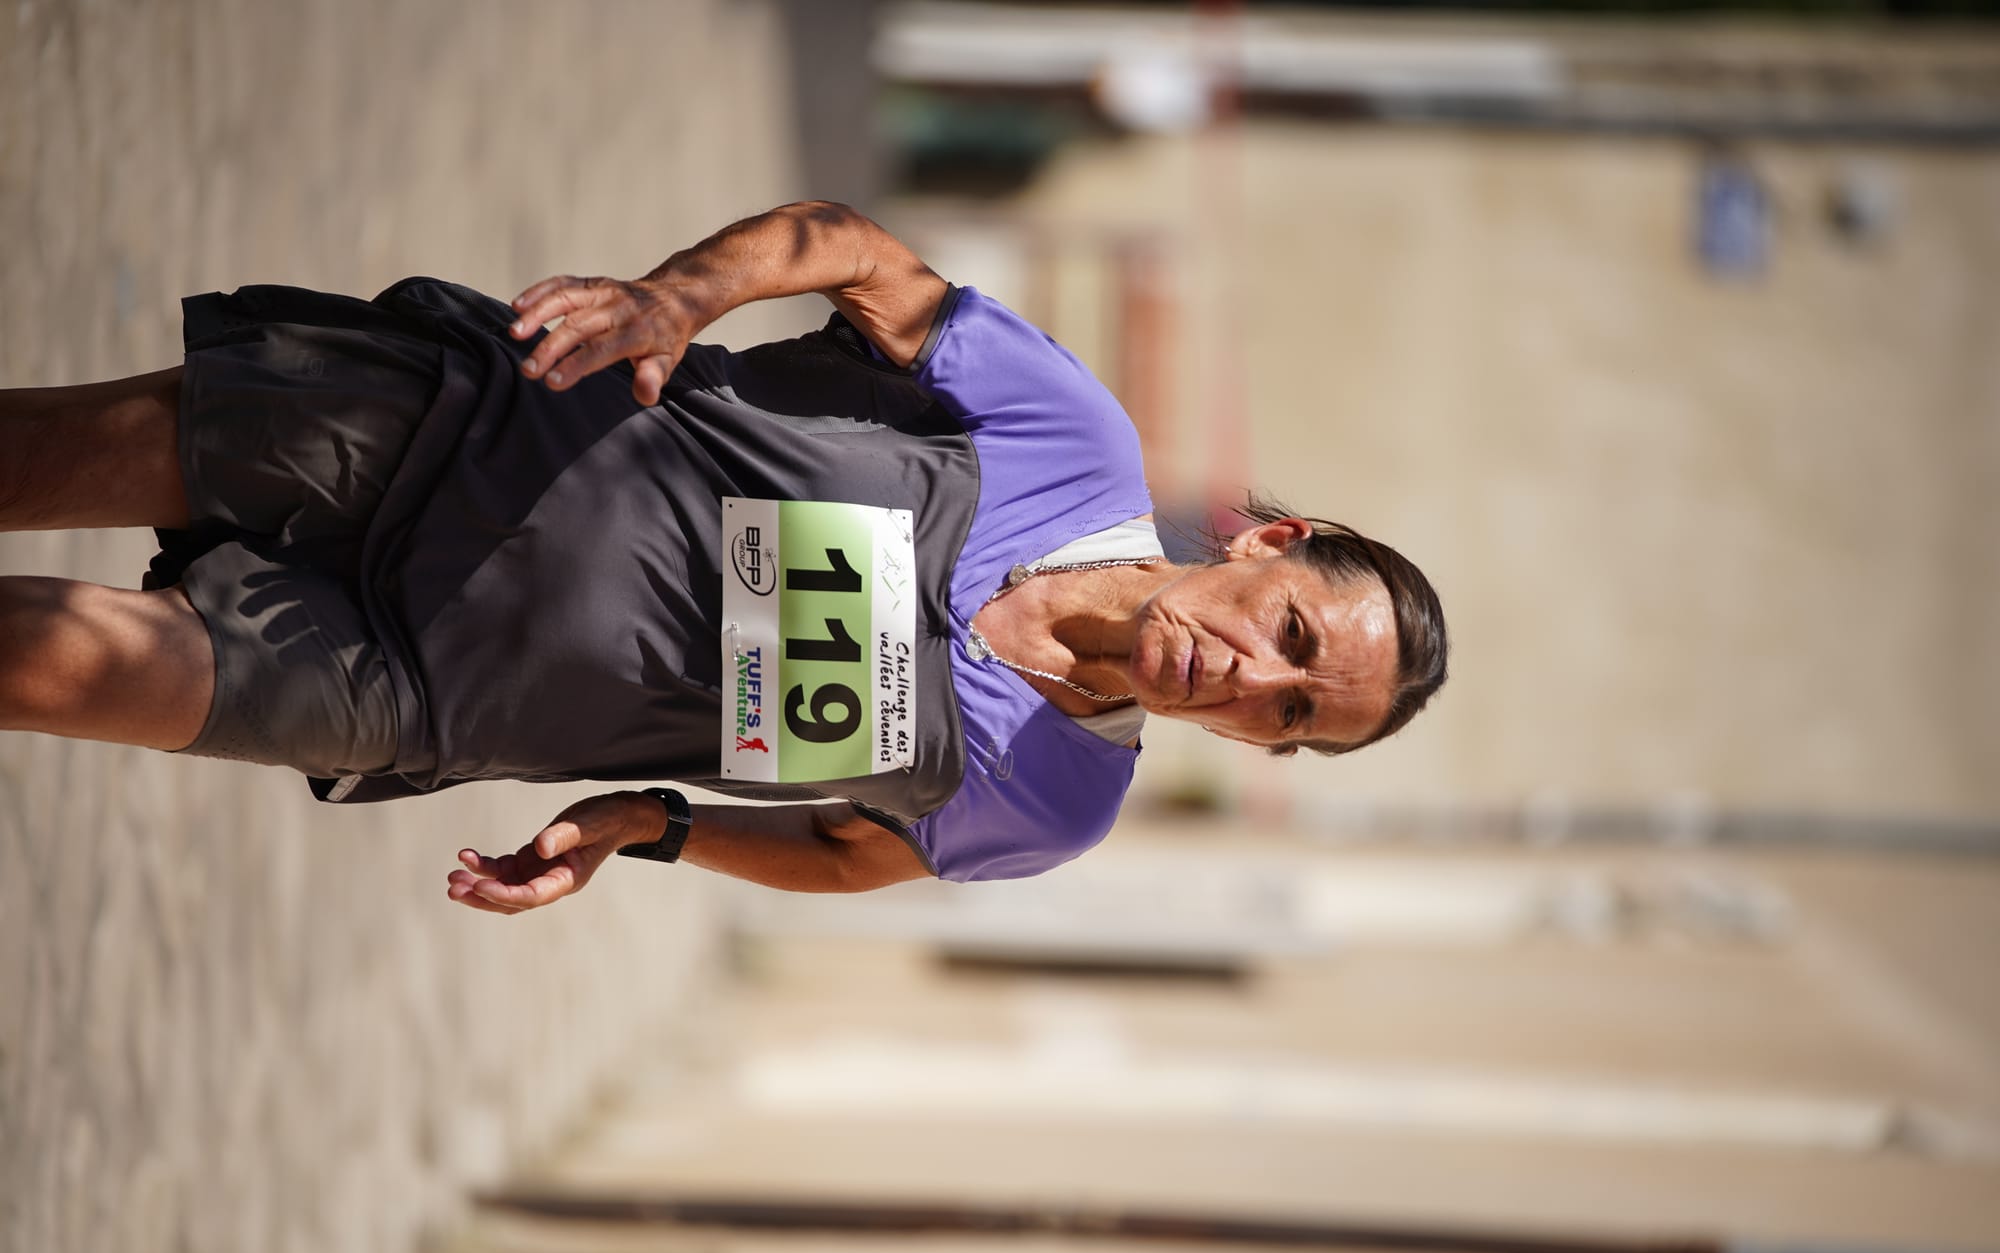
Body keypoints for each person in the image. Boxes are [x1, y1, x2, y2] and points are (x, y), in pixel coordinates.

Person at [0, 201, 1447, 915]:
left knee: (42, 667)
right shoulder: (1074, 441)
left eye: (1289, 715)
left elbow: (850, 851)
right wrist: (672, 298)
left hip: (430, 687)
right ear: (1273, 540)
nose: (1251, 677)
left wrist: (654, 825)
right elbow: (859, 254)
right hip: (467, 427)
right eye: (1294, 635)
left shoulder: (1054, 801)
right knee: (31, 462)